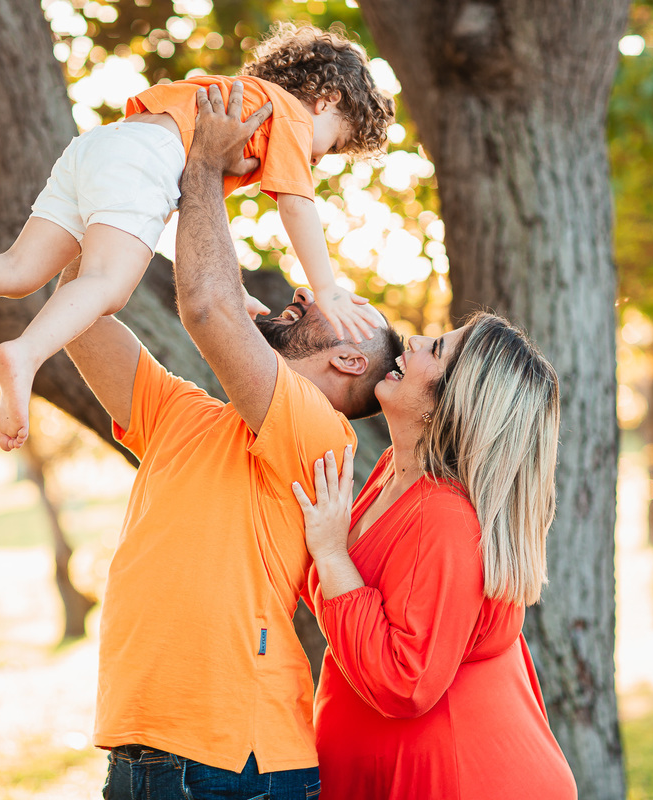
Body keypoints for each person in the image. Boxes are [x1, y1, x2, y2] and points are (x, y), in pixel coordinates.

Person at [57, 83, 404, 799]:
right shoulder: (183, 414)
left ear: (347, 361)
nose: (309, 292)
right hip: (152, 749)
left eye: (341, 308)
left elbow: (209, 304)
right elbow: (77, 306)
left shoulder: (318, 436)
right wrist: (129, 177)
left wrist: (205, 170)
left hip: (229, 761)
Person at [0, 23, 394, 451]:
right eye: (331, 148)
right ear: (326, 99)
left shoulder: (242, 100)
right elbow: (297, 206)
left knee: (19, 268)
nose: (317, 160)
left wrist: (234, 287)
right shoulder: (290, 118)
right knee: (107, 287)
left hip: (106, 147)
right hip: (146, 163)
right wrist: (327, 289)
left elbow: (199, 211)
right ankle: (24, 354)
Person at [291, 313, 578, 799]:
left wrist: (332, 552)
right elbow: (344, 601)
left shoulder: (444, 516)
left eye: (437, 350)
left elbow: (407, 682)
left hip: (459, 781)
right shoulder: (392, 473)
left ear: (452, 400)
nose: (415, 340)